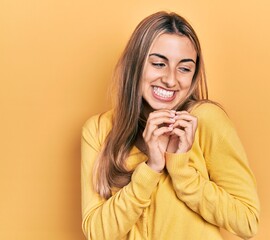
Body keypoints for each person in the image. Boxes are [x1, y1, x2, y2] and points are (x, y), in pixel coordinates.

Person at [81, 11, 260, 240]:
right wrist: (152, 168)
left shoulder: (206, 120)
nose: (170, 79)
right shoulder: (98, 130)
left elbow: (247, 222)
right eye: (158, 64)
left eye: (184, 68)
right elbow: (97, 233)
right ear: (135, 64)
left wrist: (182, 172)